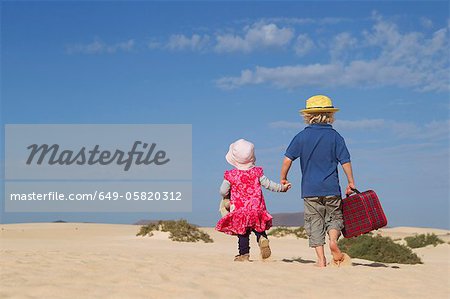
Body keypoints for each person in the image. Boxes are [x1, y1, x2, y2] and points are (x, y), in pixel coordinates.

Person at [280, 95, 355, 267]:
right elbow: (345, 161)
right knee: (335, 217)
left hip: (310, 189)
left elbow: (287, 160)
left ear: (307, 116)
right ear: (330, 115)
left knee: (314, 222)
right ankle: (333, 241)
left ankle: (321, 260)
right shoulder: (336, 137)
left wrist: (283, 178)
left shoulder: (301, 137)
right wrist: (351, 182)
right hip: (332, 188)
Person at [216, 139, 291, 261]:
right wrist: (282, 188)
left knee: (243, 233)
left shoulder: (231, 175)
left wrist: (227, 195)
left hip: (240, 211)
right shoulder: (256, 173)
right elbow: (269, 184)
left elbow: (222, 191)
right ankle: (262, 239)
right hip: (257, 209)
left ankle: (244, 255)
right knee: (258, 228)